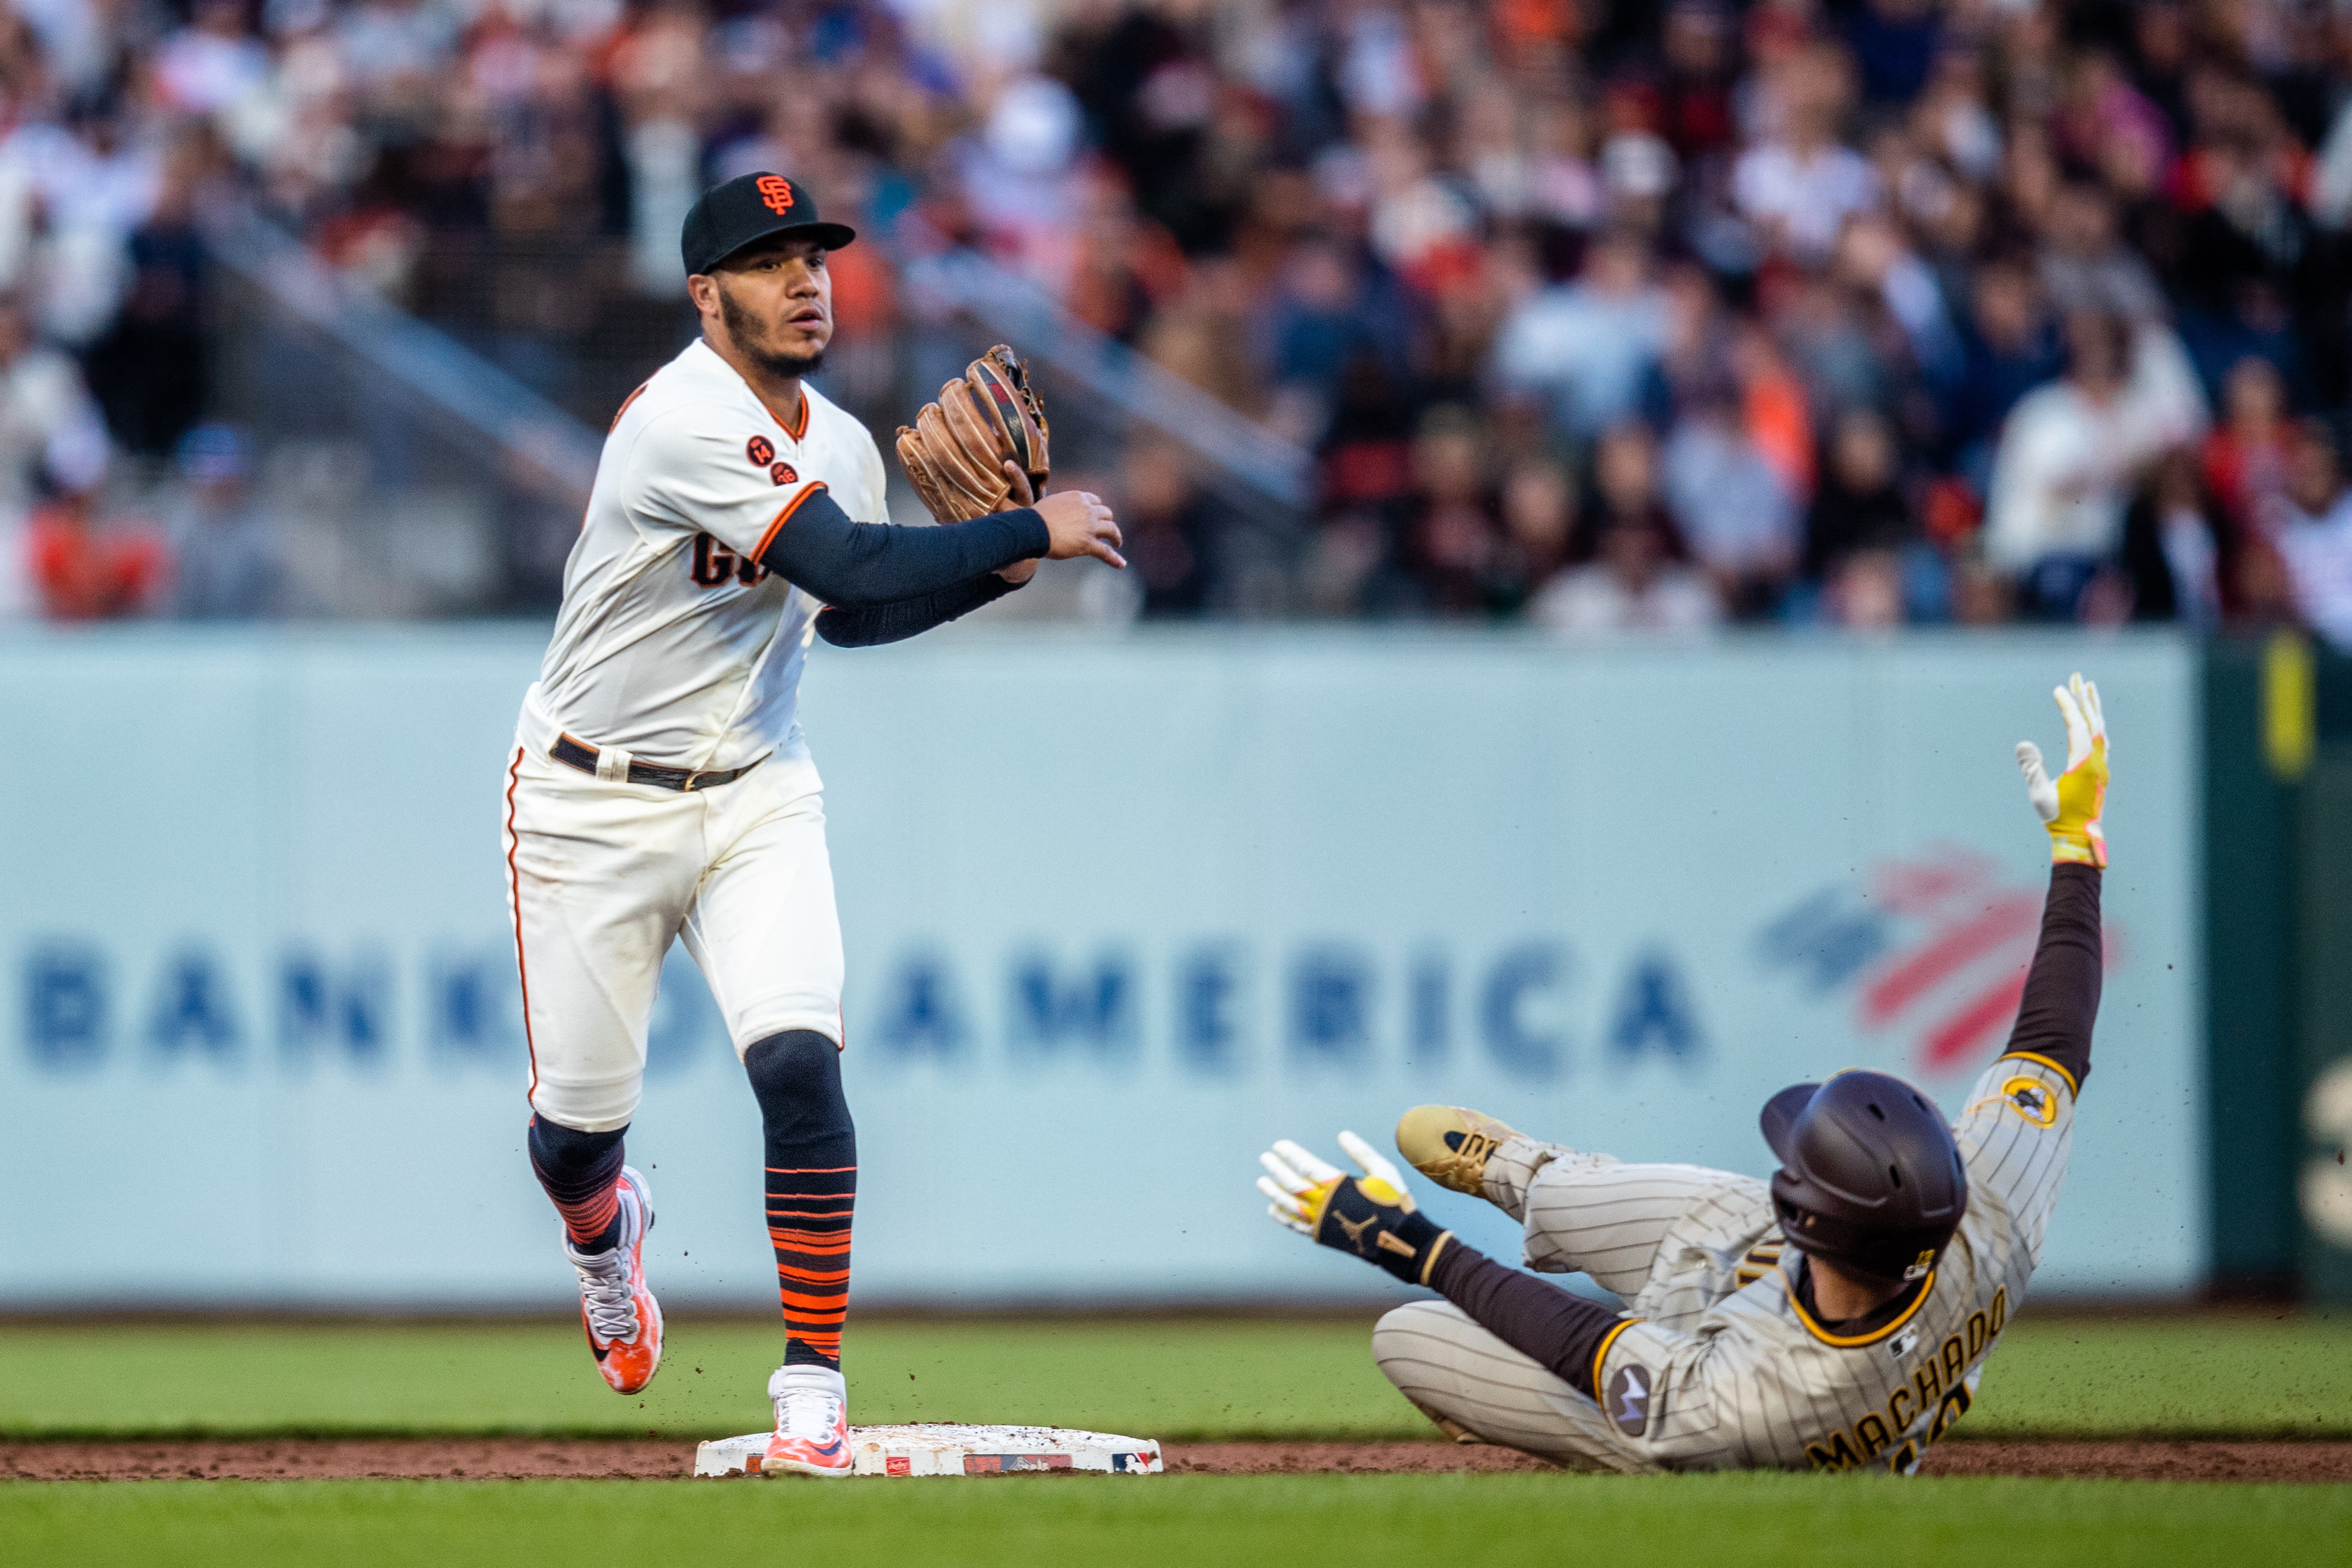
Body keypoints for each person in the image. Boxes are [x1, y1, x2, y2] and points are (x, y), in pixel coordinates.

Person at [503, 173, 1122, 1478]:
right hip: (586, 799)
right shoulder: (677, 420)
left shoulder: (837, 441)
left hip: (752, 789)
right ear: (703, 292)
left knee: (798, 1069)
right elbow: (847, 564)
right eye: (767, 259)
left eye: (814, 256)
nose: (804, 279)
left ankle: (811, 1386)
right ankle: (602, 1236)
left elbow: (851, 618)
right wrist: (1031, 526)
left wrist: (992, 573)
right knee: (571, 1136)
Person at [1259, 673, 2111, 1474]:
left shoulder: (1763, 1405)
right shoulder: (1984, 1214)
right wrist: (2077, 850)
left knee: (1415, 1338)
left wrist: (1414, 1245)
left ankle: (1627, 1321)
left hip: (1724, 1389)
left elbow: (1582, 1347)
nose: (1787, 1167)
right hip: (1782, 1282)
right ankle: (1531, 1179)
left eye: (1796, 1169)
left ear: (1807, 1215)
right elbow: (2054, 1038)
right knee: (1674, 1221)